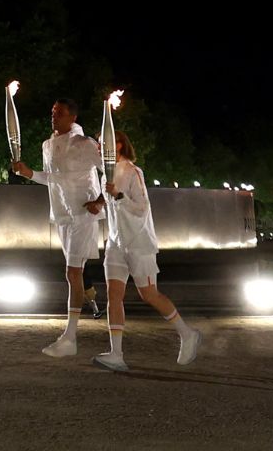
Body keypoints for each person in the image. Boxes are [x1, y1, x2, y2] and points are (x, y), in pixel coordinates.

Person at [89, 131, 202, 371]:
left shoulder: (133, 172)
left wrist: (119, 196)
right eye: (99, 143)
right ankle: (116, 354)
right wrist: (99, 203)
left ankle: (187, 333)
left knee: (149, 294)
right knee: (113, 296)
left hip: (139, 243)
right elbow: (111, 205)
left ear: (118, 145)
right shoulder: (104, 176)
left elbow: (141, 208)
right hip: (116, 244)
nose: (100, 146)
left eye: (104, 142)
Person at [10, 96, 105, 355]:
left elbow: (112, 170)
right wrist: (28, 173)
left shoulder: (86, 144)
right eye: (53, 112)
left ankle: (70, 338)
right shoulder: (47, 145)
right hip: (61, 215)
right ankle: (73, 336)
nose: (54, 116)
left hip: (83, 215)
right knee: (74, 274)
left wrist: (100, 200)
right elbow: (51, 179)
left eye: (60, 112)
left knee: (73, 274)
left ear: (73, 117)